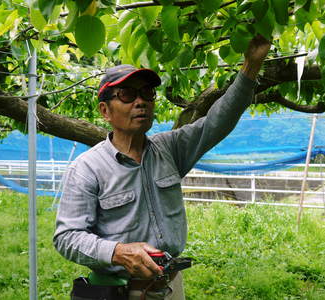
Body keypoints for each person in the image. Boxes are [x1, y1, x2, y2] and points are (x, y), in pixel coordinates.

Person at [53, 36, 270, 300]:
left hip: (169, 286)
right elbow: (67, 237)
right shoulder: (87, 168)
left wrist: (250, 67)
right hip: (120, 290)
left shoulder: (170, 149)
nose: (140, 101)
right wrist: (118, 252)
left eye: (147, 93)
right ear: (105, 111)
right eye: (127, 94)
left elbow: (217, 121)